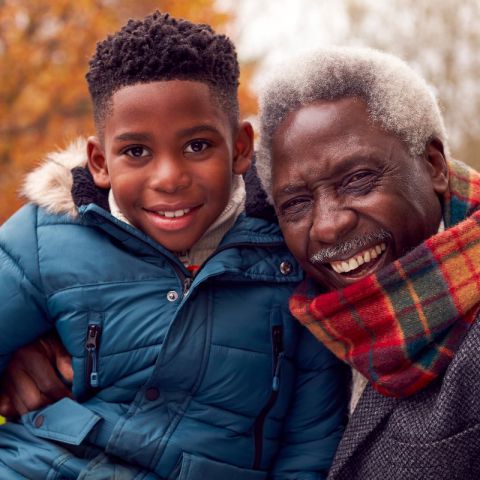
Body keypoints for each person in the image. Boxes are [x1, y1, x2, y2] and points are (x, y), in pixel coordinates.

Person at [0, 13, 348, 479]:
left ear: (241, 147)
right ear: (100, 162)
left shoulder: (287, 261)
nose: (169, 178)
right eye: (136, 152)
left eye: (198, 146)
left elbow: (308, 447)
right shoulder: (45, 238)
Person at [255, 46, 480, 479]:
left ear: (433, 165)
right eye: (296, 203)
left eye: (358, 179)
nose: (328, 226)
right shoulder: (305, 313)